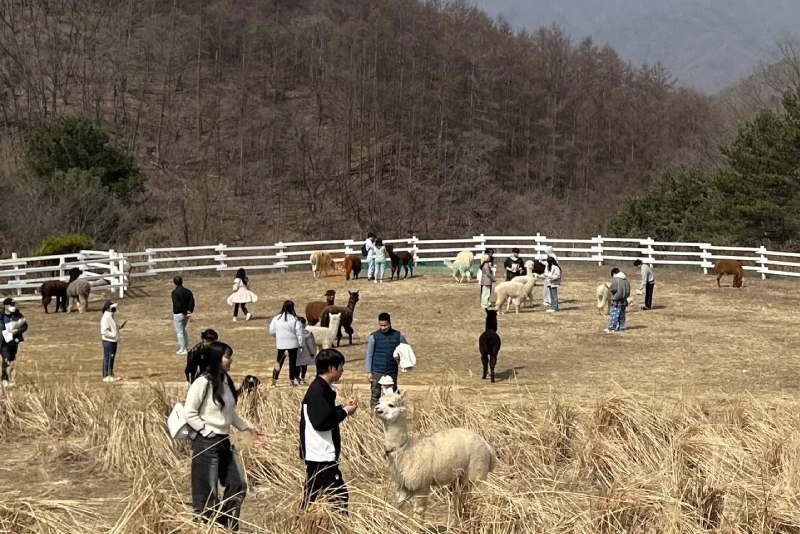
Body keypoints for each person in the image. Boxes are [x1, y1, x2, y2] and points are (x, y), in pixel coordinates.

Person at [184, 342, 262, 531]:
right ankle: (206, 527)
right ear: (217, 358)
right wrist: (206, 430)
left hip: (224, 442)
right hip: (206, 443)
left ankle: (228, 526)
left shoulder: (225, 381)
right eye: (227, 356)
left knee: (238, 484)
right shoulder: (202, 382)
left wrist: (247, 429)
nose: (231, 360)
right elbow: (189, 412)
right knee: (206, 493)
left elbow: (229, 413)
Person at [299, 348, 358, 513]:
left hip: (318, 454)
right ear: (331, 368)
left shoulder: (321, 388)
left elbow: (324, 414)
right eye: (340, 366)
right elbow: (321, 422)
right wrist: (345, 412)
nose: (342, 370)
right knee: (340, 496)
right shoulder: (318, 392)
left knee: (312, 497)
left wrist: (342, 408)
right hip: (320, 454)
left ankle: (301, 522)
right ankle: (339, 524)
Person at [365, 313, 407, 409]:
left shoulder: (398, 336)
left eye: (385, 325)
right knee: (375, 395)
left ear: (390, 323)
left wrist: (402, 360)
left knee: (392, 396)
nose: (383, 328)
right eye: (381, 325)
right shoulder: (374, 337)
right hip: (377, 371)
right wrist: (369, 372)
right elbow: (369, 355)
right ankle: (373, 415)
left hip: (392, 370)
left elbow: (406, 351)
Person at [269, 300, 304, 387]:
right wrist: (301, 344)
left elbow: (272, 331)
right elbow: (299, 333)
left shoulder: (276, 318)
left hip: (281, 344)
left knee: (279, 362)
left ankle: (274, 380)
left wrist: (278, 337)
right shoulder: (295, 319)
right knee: (293, 363)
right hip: (293, 344)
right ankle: (292, 380)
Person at [1, 298, 28, 388]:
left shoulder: (18, 315)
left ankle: (8, 377)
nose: (14, 307)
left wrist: (17, 330)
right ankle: (4, 380)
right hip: (3, 342)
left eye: (14, 305)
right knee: (6, 358)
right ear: (6, 306)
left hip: (13, 342)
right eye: (11, 305)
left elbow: (25, 326)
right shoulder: (1, 316)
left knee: (12, 360)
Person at [100, 300, 127, 383]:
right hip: (108, 341)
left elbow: (112, 326)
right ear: (108, 308)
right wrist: (114, 334)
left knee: (111, 358)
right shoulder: (106, 317)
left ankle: (111, 374)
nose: (115, 308)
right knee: (108, 358)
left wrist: (119, 326)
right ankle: (107, 376)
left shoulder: (111, 315)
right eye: (113, 307)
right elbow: (104, 331)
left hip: (112, 341)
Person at [172, 276, 195, 355]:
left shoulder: (174, 292)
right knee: (183, 330)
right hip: (186, 314)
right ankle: (185, 346)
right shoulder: (188, 291)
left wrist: (184, 311)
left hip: (178, 313)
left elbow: (177, 304)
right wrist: (189, 310)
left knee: (180, 331)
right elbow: (192, 301)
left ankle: (183, 348)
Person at [605, 268, 631, 334]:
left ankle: (611, 328)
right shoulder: (626, 280)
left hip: (617, 300)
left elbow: (613, 289)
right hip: (624, 300)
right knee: (622, 315)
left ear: (614, 273)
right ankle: (622, 327)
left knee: (615, 314)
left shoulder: (616, 280)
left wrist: (609, 288)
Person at [296, 317, 317, 385]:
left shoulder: (293, 333)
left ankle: (297, 378)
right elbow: (310, 344)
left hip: (296, 353)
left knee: (297, 366)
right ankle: (302, 378)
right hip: (305, 352)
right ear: (303, 324)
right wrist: (312, 353)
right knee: (304, 366)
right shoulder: (308, 333)